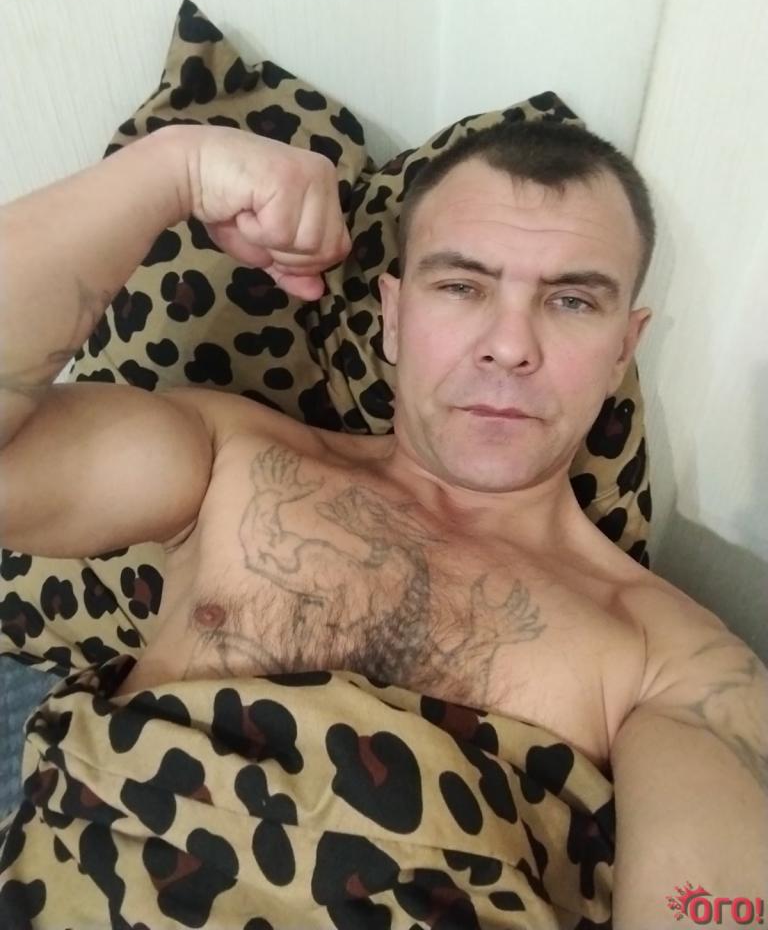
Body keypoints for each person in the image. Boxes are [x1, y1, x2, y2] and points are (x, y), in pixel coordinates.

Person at [0, 120, 765, 927]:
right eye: (462, 287)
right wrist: (171, 168)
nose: (510, 346)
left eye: (571, 301)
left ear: (622, 351)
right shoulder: (232, 457)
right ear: (393, 317)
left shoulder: (674, 659)